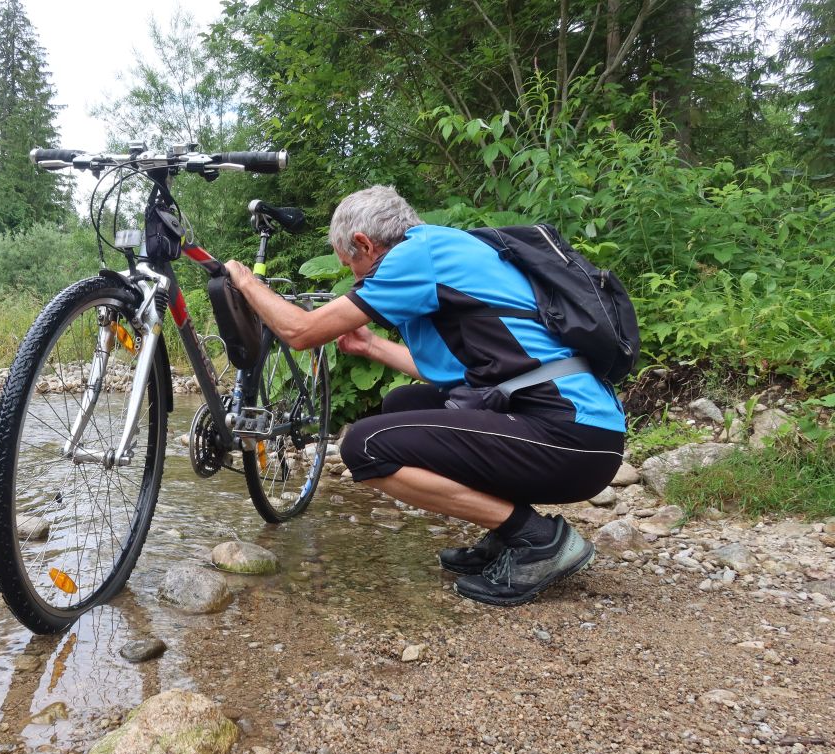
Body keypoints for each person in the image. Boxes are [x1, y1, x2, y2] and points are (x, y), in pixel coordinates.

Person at [224, 185, 626, 606]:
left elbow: (300, 332)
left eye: (353, 266)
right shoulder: (441, 247)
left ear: (364, 243)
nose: (357, 280)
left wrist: (246, 280)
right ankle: (507, 536)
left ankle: (538, 540)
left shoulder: (414, 258)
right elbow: (460, 374)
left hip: (570, 437)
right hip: (575, 431)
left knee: (363, 447)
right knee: (404, 405)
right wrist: (372, 346)